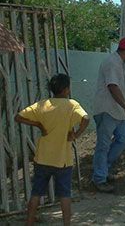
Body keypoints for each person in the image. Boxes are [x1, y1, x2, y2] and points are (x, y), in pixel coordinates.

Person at [15, 74, 90, 226]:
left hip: (42, 158)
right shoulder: (72, 105)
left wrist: (38, 125)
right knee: (64, 195)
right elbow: (86, 118)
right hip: (62, 160)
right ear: (66, 89)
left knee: (36, 193)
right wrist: (76, 134)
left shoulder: (42, 105)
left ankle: (29, 222)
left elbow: (18, 117)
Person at [92, 37, 125, 193]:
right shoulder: (112, 63)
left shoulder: (119, 63)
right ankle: (99, 179)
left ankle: (104, 169)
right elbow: (113, 87)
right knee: (103, 145)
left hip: (117, 111)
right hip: (107, 110)